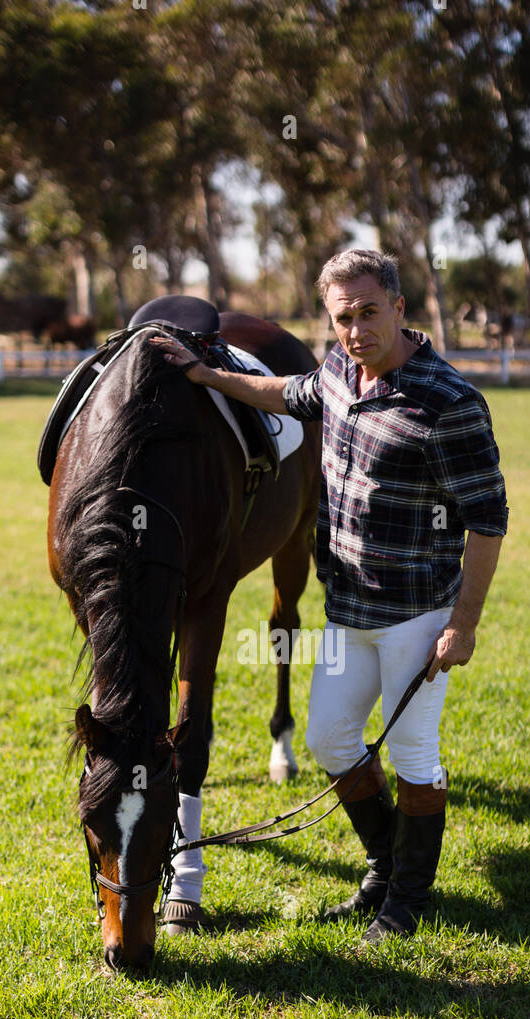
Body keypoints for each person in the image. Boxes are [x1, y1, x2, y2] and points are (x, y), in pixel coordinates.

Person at [155, 249, 508, 946]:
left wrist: (463, 625)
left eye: (369, 312)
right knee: (328, 737)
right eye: (342, 317)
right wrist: (205, 375)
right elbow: (284, 393)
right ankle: (384, 862)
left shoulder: (451, 401)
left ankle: (406, 901)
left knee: (413, 752)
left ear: (399, 308)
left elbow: (489, 520)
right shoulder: (340, 377)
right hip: (347, 612)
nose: (355, 329)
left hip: (419, 615)